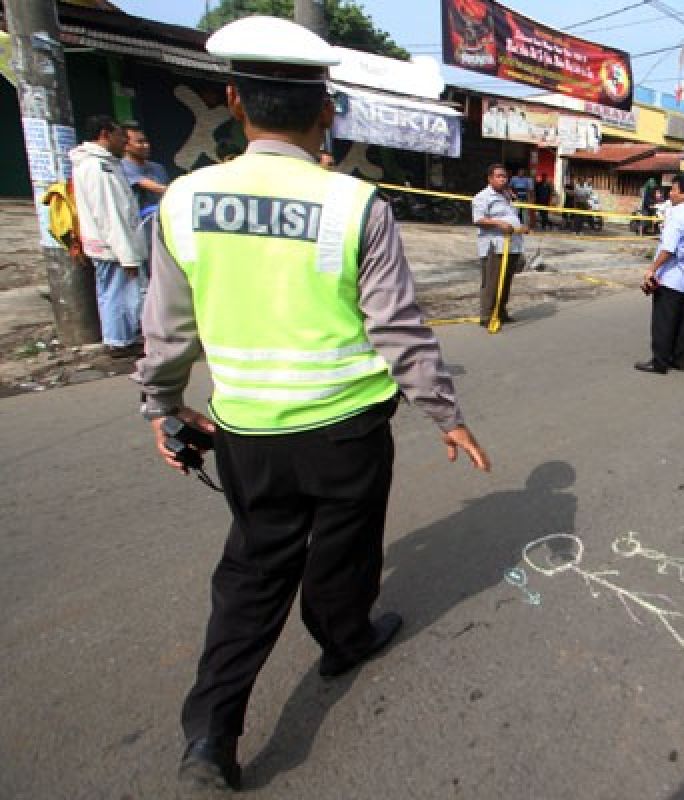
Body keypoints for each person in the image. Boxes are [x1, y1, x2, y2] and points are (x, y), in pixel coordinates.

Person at [131, 16, 491, 793]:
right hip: (348, 428)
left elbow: (164, 332)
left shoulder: (185, 200)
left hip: (247, 430)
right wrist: (446, 415)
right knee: (345, 548)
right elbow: (397, 328)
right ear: (325, 109)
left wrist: (164, 410)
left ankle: (211, 738)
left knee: (253, 573)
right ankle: (343, 639)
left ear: (232, 100)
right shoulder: (355, 204)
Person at [69, 114, 147, 357]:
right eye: (119, 136)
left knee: (121, 294)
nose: (123, 141)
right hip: (112, 246)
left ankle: (124, 337)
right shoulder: (97, 167)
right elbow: (110, 215)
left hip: (112, 244)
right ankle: (118, 340)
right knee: (118, 294)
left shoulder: (104, 164)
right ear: (105, 134)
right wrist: (128, 256)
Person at [635, 174, 684, 374]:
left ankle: (660, 362)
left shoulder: (677, 214)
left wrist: (652, 268)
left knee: (664, 321)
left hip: (673, 276)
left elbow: (669, 248)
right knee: (682, 322)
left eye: (674, 189)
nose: (670, 193)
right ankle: (678, 359)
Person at [472, 164, 529, 327]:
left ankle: (501, 312)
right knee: (492, 282)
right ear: (490, 178)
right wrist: (498, 224)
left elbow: (512, 216)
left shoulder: (507, 195)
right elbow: (478, 220)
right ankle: (487, 316)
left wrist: (521, 227)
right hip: (494, 246)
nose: (503, 179)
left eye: (504, 176)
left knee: (506, 281)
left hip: (511, 245)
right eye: (499, 176)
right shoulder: (482, 197)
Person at [121, 121, 169, 217]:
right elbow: (157, 188)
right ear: (125, 145)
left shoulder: (158, 168)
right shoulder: (121, 167)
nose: (146, 145)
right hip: (139, 225)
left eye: (146, 141)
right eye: (140, 142)